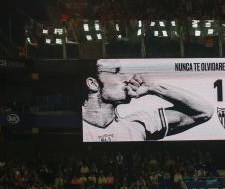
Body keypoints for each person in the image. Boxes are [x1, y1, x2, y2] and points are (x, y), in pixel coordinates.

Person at [82, 60, 213, 142]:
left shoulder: (137, 126)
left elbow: (204, 112)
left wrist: (152, 87)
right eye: (117, 72)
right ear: (93, 83)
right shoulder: (79, 129)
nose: (128, 79)